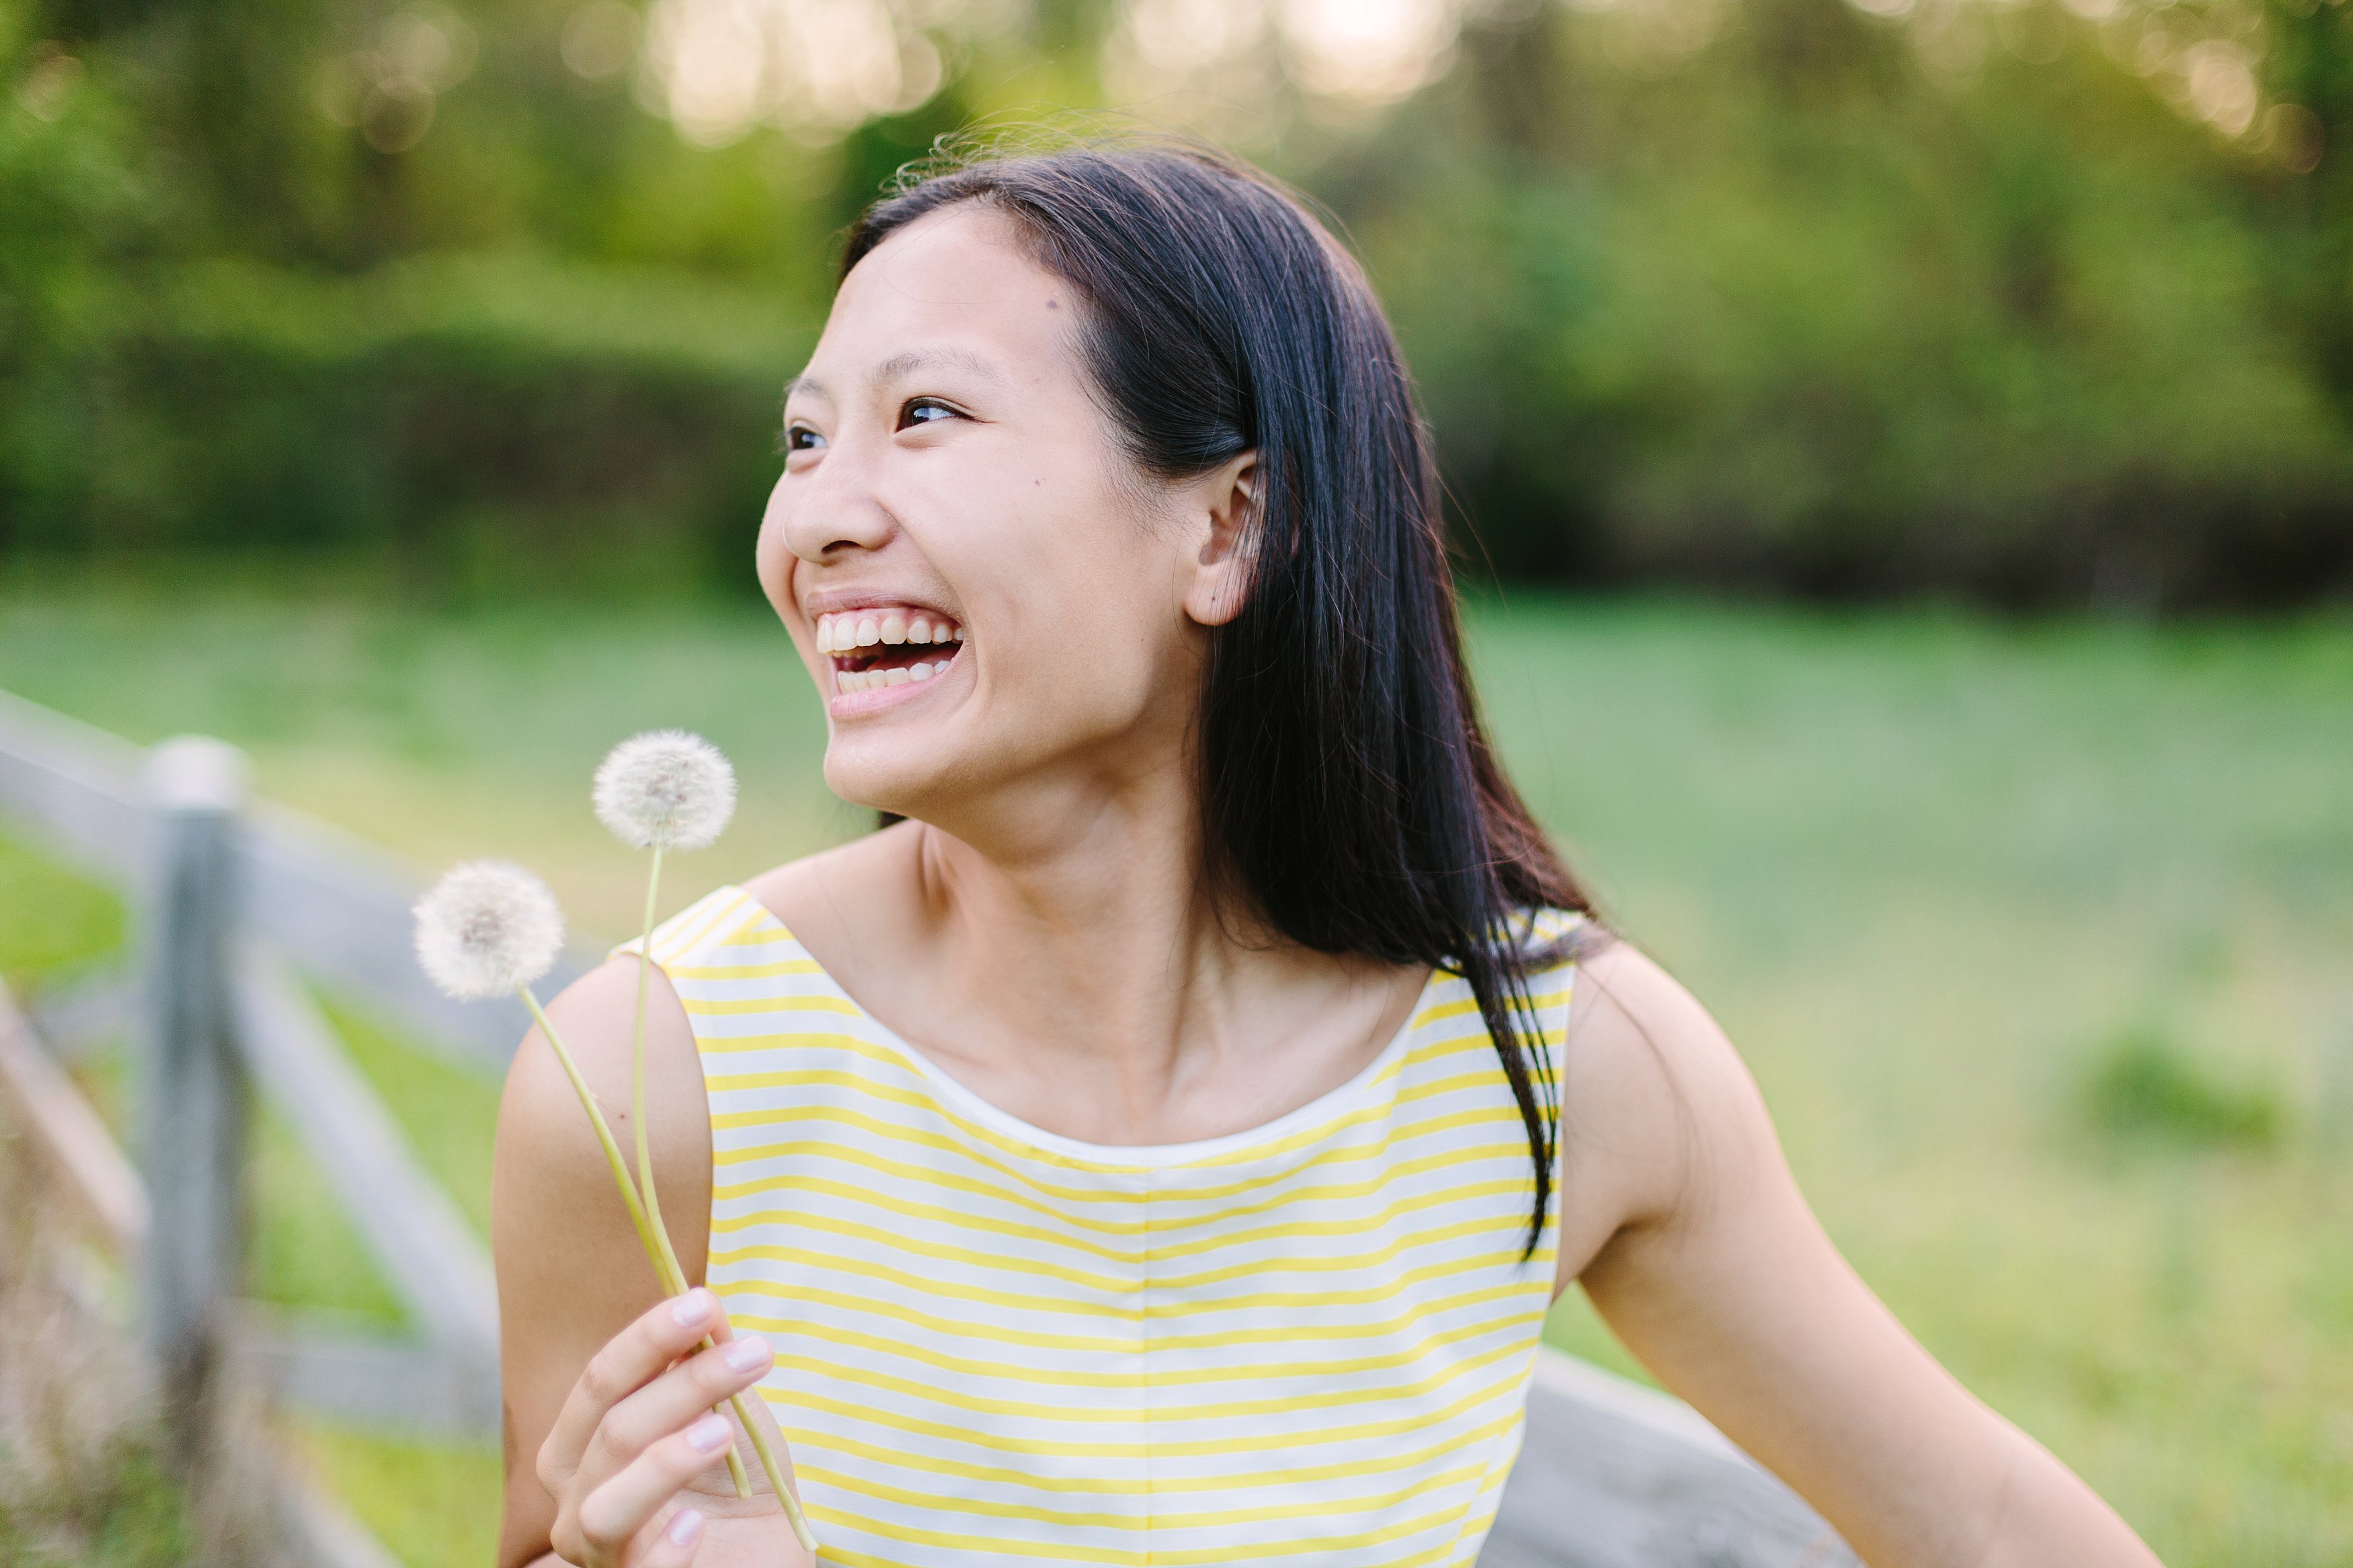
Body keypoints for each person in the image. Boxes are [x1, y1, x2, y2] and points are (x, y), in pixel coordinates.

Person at [492, 142, 2162, 1568]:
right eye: (803, 439)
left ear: (1226, 527)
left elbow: (1993, 1532)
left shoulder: (1572, 1068)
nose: (819, 517)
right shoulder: (650, 1081)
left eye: (924, 414)